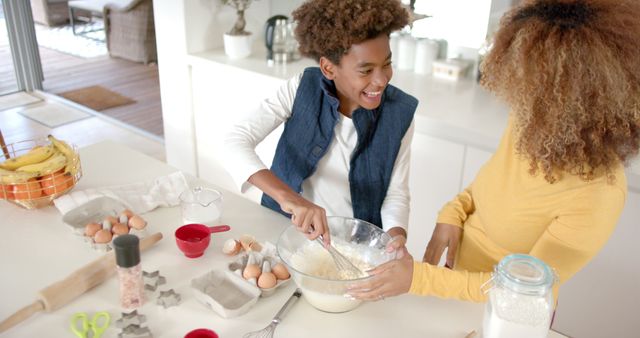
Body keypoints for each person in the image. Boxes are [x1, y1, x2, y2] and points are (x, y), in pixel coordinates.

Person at [349, 0, 640, 302]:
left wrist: (420, 279)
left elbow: (520, 291)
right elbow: (492, 186)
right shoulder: (534, 124)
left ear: (587, 98)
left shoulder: (598, 194)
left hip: (500, 313)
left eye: (542, 88)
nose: (524, 97)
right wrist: (454, 212)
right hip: (450, 287)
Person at [223, 0, 417, 248]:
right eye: (366, 70)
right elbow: (235, 141)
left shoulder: (400, 113)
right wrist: (289, 198)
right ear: (328, 68)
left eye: (387, 64)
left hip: (352, 245)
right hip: (282, 229)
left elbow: (396, 193)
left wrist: (396, 236)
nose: (381, 80)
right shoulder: (302, 88)